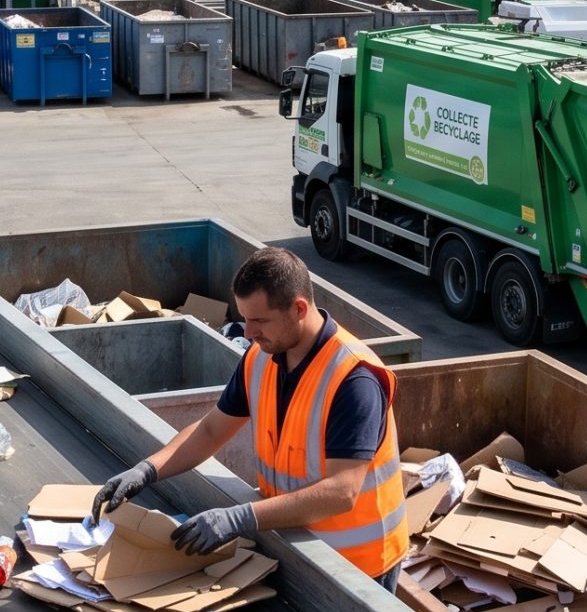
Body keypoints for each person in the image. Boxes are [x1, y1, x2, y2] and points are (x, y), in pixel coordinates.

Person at [91, 247, 408, 582]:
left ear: (298, 308)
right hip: (294, 541)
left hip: (361, 567)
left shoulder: (353, 378)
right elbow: (212, 430)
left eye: (259, 320)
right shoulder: (261, 359)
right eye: (245, 319)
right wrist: (148, 469)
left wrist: (239, 518)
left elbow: (342, 491)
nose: (247, 333)